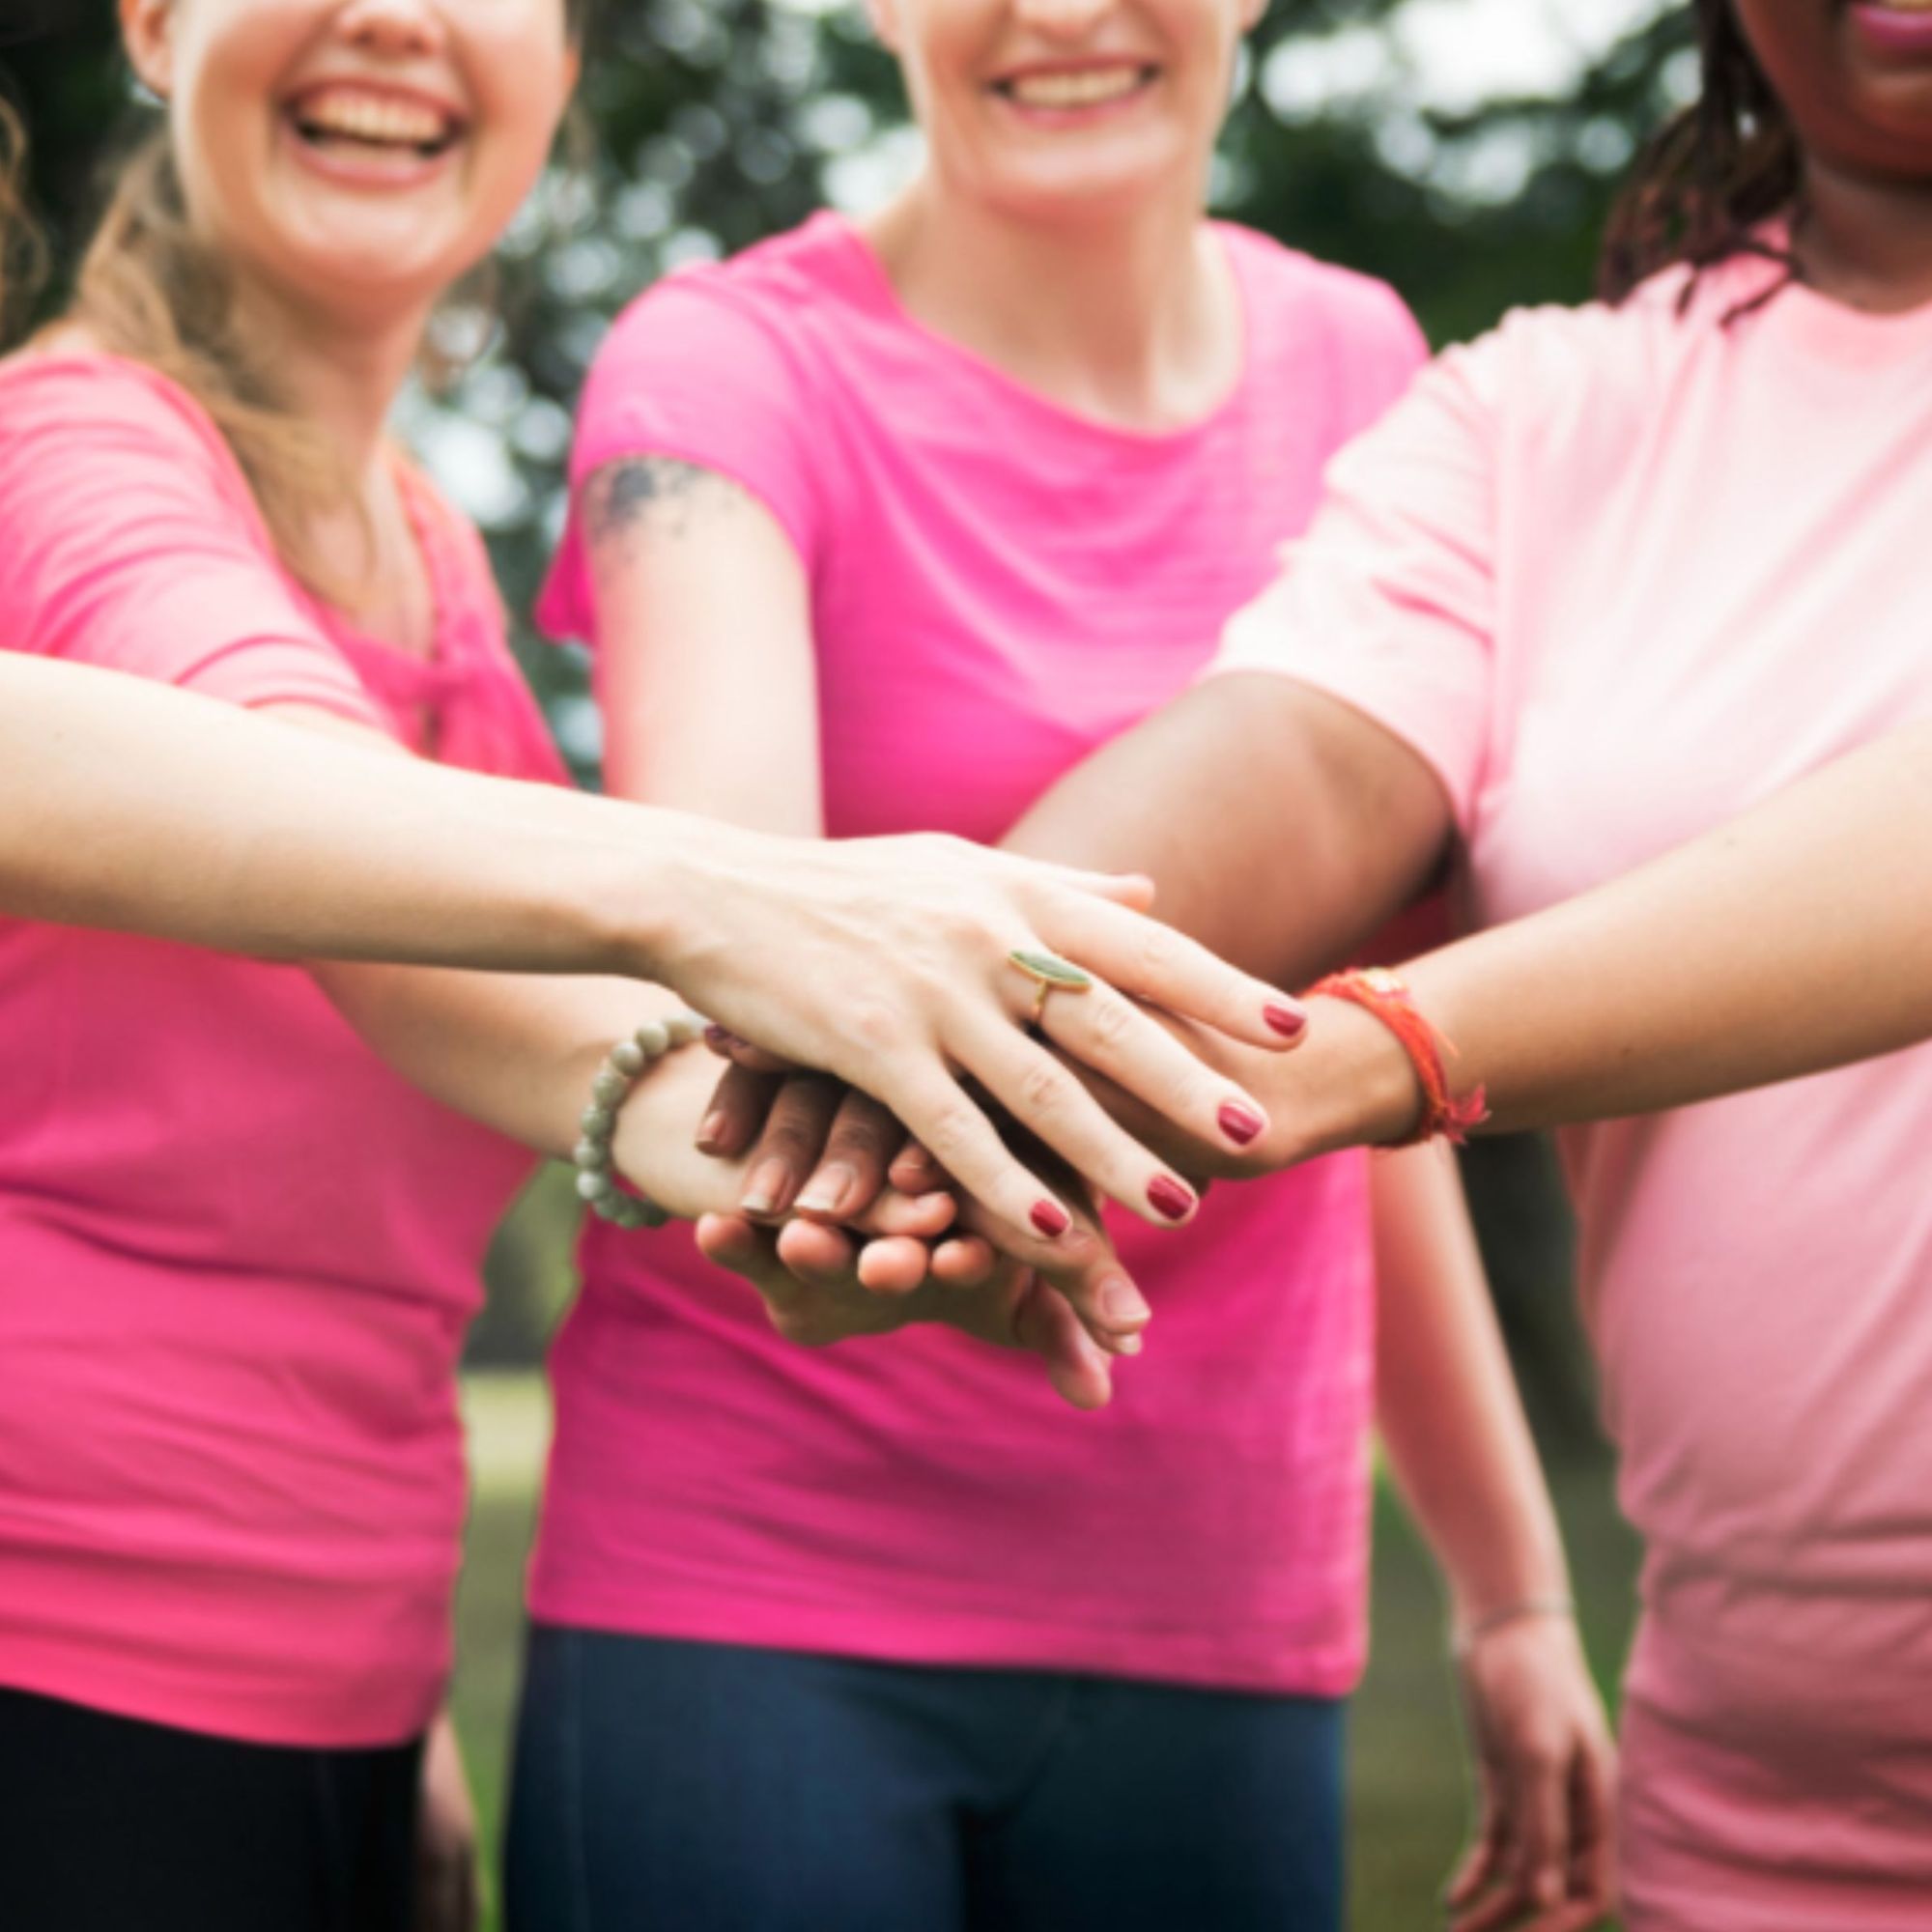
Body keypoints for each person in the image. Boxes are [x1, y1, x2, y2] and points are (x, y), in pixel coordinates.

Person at [0, 6, 1307, 1927]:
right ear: (150, 25)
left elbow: (498, 1005)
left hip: (315, 1690)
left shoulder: (425, 535)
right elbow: (332, 843)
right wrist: (749, 910)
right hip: (63, 1666)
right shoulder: (69, 446)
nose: (394, 18)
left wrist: (863, 1164)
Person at [715, 1, 1932, 1922]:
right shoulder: (1542, 416)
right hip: (1754, 1817)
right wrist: (917, 1067)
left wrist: (1379, 1046)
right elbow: (1292, 754)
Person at [508, 3, 1611, 1929]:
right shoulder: (725, 369)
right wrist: (847, 1215)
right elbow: (731, 935)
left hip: (1223, 1594)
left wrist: (1509, 1585)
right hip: (750, 1575)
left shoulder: (1364, 365)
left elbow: (1332, 1050)